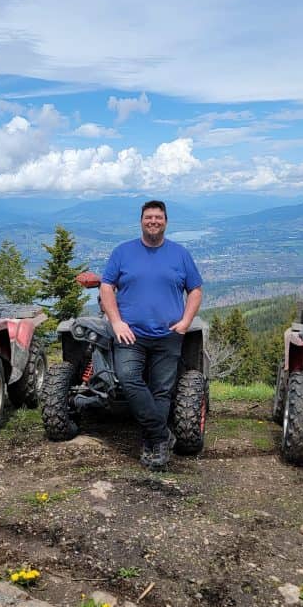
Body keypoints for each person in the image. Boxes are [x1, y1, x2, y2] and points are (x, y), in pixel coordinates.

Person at [100, 200, 203, 471]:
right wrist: (117, 322)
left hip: (168, 334)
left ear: (166, 222)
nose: (153, 221)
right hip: (130, 334)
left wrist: (185, 321)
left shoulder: (180, 254)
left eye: (158, 217)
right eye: (148, 217)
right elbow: (107, 286)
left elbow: (195, 289)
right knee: (128, 378)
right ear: (141, 221)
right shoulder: (123, 252)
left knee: (162, 390)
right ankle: (161, 435)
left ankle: (153, 445)